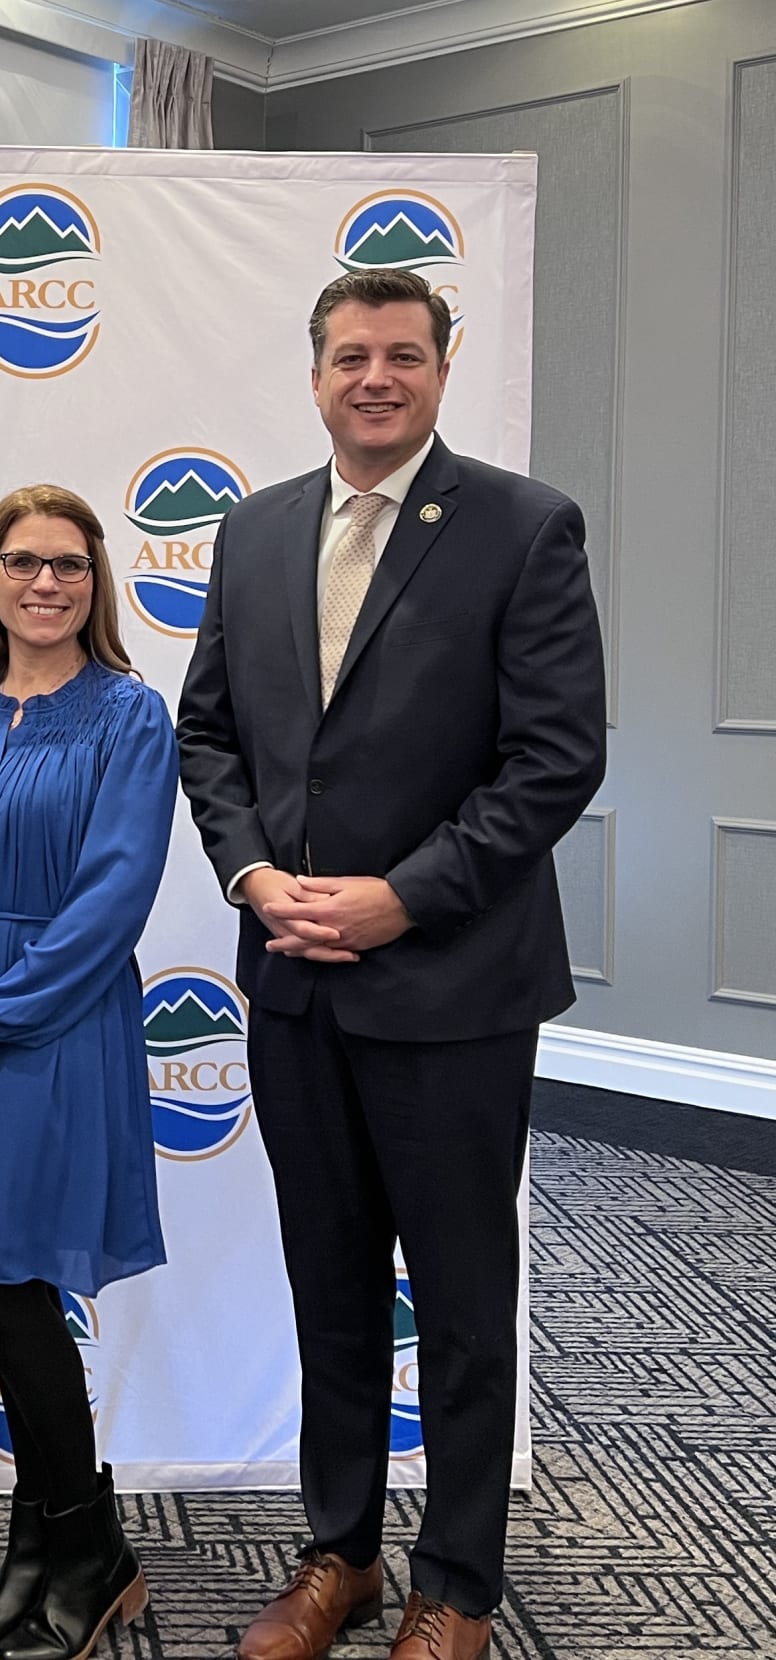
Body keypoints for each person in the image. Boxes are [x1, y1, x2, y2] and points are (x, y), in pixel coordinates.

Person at [177, 268, 606, 1660]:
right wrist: (249, 876)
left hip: (454, 987)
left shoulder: (524, 529)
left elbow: (554, 761)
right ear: (314, 374)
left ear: (440, 369)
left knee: (466, 1301)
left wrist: (398, 903)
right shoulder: (250, 533)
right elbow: (211, 737)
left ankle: (458, 1583)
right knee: (333, 1284)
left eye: (404, 356)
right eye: (352, 355)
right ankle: (339, 1554)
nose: (377, 377)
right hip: (295, 982)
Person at [0, 484, 178, 1660]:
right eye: (23, 563)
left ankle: (90, 1550)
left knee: (13, 1287)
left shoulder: (129, 714)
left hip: (53, 1024)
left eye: (68, 564)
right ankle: (48, 1553)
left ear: (95, 578)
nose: (46, 583)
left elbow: (114, 897)